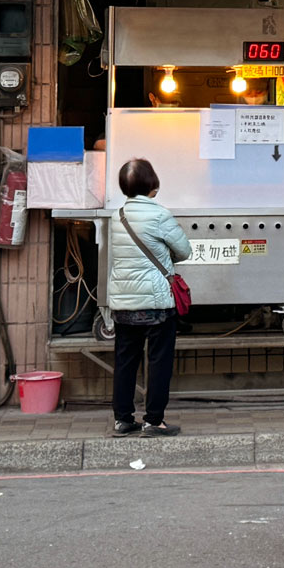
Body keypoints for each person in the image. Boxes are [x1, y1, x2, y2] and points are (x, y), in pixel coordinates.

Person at [108, 158, 192, 438]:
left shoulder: (117, 215)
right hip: (156, 303)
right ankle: (154, 421)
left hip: (124, 301)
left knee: (125, 361)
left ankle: (122, 420)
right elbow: (184, 251)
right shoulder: (160, 215)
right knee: (158, 362)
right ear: (153, 185)